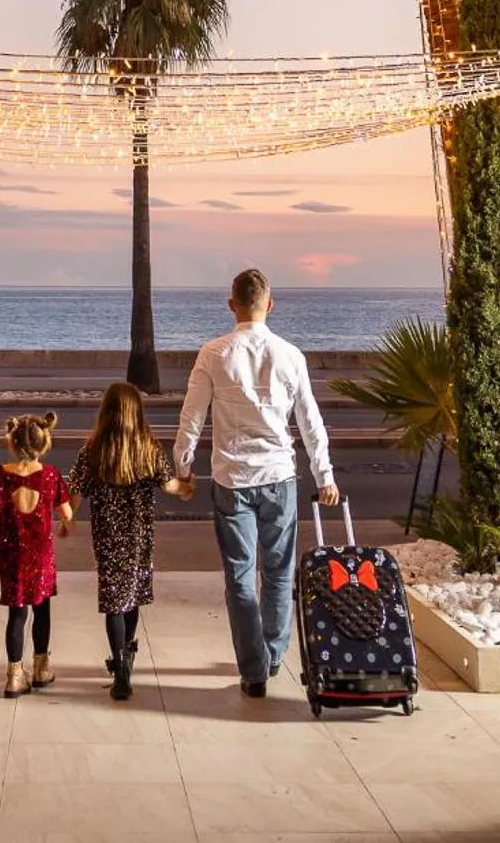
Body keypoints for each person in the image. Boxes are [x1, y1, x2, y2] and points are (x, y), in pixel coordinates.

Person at [173, 268, 338, 699]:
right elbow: (311, 423)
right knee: (280, 573)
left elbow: (192, 417)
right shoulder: (291, 355)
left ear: (232, 304)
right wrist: (325, 476)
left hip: (231, 479)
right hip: (279, 476)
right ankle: (274, 652)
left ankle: (254, 670)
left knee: (240, 576)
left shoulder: (212, 354)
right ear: (271, 304)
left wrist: (183, 466)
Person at [70, 380, 188, 702]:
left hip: (107, 537)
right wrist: (186, 486)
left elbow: (75, 493)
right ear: (137, 412)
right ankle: (128, 654)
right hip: (139, 537)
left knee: (113, 602)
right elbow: (169, 486)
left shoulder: (92, 451)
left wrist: (65, 517)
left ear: (105, 413)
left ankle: (119, 666)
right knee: (132, 595)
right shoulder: (148, 448)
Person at [0, 411, 73, 697]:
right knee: (42, 610)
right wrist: (66, 526)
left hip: (12, 556)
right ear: (44, 443)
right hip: (42, 556)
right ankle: (42, 666)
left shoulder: (1, 475)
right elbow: (67, 513)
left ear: (12, 443)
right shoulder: (51, 475)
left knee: (17, 614)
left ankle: (15, 674)